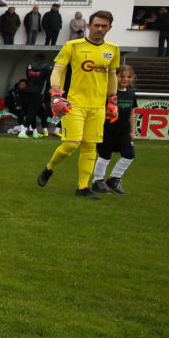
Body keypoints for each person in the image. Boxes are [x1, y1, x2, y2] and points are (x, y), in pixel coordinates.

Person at [37, 11, 121, 198]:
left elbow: (112, 75)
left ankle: (82, 188)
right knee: (71, 144)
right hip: (73, 104)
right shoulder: (73, 46)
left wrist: (112, 100)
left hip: (98, 106)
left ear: (109, 28)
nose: (100, 29)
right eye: (96, 25)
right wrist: (56, 93)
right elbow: (58, 69)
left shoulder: (113, 49)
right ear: (89, 26)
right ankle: (50, 167)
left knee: (90, 146)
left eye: (104, 26)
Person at [92, 64, 137, 194]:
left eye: (129, 77)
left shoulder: (131, 93)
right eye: (121, 76)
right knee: (105, 156)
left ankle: (114, 179)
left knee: (129, 155)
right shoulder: (108, 92)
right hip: (107, 130)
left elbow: (132, 114)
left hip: (123, 131)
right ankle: (97, 181)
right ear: (114, 76)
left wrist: (132, 131)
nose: (125, 79)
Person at [19, 53, 53, 137]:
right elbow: (48, 81)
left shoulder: (30, 65)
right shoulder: (46, 67)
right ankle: (23, 131)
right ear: (44, 58)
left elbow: (28, 77)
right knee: (33, 111)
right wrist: (46, 93)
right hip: (38, 91)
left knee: (31, 111)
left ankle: (34, 131)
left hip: (28, 89)